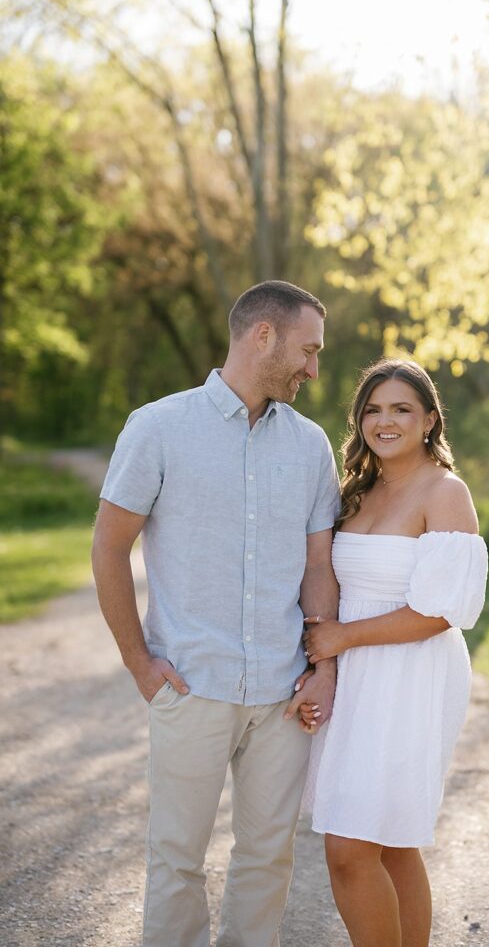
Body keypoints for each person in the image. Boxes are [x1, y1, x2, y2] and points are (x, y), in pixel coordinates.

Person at [91, 280, 340, 947]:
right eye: (307, 351)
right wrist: (139, 663)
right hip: (191, 685)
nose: (313, 369)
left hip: (282, 694)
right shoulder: (158, 428)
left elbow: (318, 567)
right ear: (264, 335)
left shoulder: (311, 445)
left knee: (267, 858)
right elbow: (109, 547)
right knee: (175, 859)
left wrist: (324, 668)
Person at [300, 358, 488, 947]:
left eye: (402, 409)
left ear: (430, 419)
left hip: (413, 676)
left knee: (350, 849)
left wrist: (341, 638)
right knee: (391, 839)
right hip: (356, 675)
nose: (386, 421)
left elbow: (437, 613)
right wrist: (325, 663)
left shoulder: (445, 491)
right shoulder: (359, 490)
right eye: (373, 409)